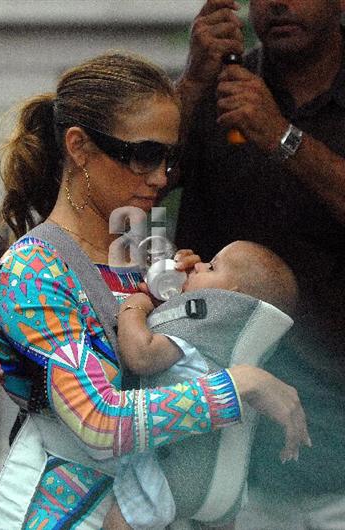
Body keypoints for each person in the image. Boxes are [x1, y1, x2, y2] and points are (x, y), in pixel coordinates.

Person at [0, 51, 310, 530]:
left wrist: (198, 304)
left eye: (169, 158)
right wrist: (240, 385)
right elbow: (98, 421)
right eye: (143, 155)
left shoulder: (145, 255)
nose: (160, 177)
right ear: (79, 147)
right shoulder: (32, 270)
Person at [175, 1, 345, 528]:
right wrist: (190, 85)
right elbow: (133, 185)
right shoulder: (218, 86)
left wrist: (283, 138)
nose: (278, 3)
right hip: (231, 441)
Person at [103, 239, 300, 530]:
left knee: (120, 520)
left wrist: (135, 306)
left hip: (174, 476)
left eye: (211, 267)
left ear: (228, 297)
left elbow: (141, 355)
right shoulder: (241, 351)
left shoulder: (198, 330)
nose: (197, 266)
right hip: (227, 491)